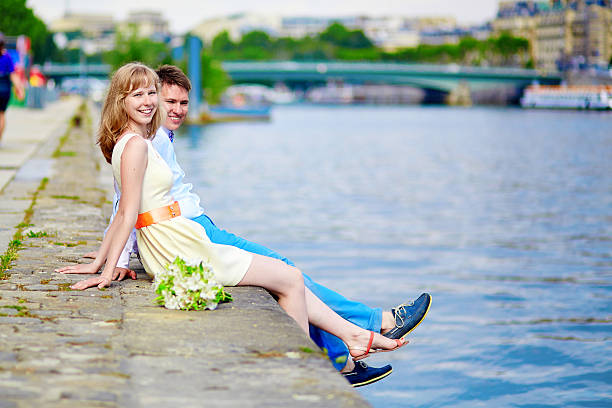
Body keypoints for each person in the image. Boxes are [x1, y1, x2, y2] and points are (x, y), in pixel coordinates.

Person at [63, 64, 432, 387]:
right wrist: (111, 268)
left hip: (183, 231)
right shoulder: (145, 141)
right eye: (152, 97)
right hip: (183, 235)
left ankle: (347, 347)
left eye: (160, 97)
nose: (160, 105)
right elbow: (126, 210)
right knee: (287, 275)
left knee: (286, 276)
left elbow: (127, 207)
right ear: (121, 100)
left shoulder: (138, 138)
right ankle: (350, 344)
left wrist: (104, 264)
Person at [0, 33, 25, 147]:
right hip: (5, 89)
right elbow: (13, 75)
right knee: (1, 115)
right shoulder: (7, 57)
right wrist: (20, 89)